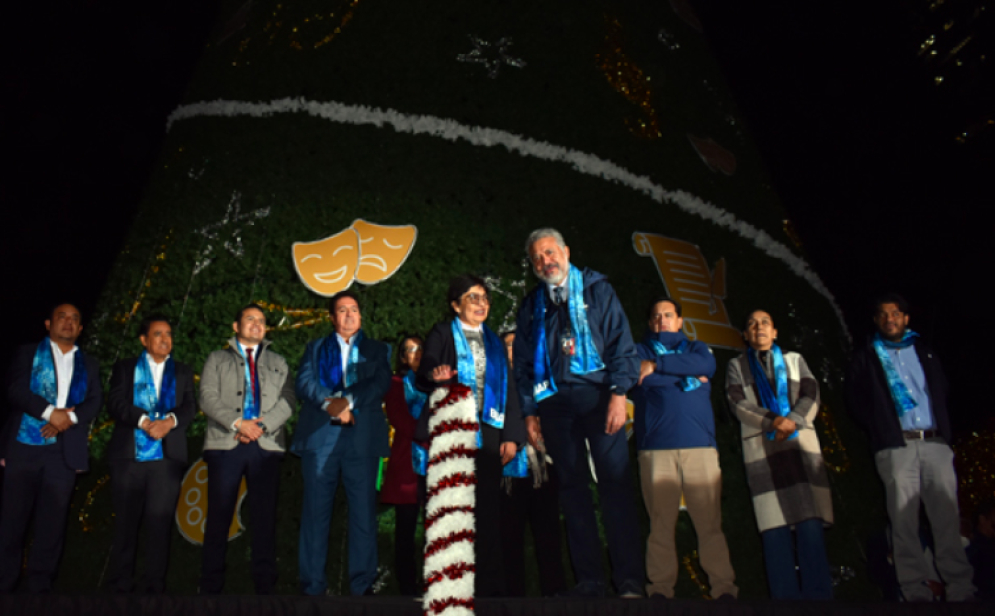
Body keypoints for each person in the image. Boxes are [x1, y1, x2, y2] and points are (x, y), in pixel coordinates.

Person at [512, 228, 644, 598]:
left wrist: (619, 392)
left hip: (600, 396)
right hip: (554, 406)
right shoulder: (532, 305)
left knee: (614, 486)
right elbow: (522, 365)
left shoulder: (598, 289)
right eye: (537, 258)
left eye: (550, 253)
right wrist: (529, 412)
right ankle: (589, 580)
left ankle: (630, 580)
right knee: (572, 492)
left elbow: (622, 344)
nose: (545, 262)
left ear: (566, 252)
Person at [845, 293, 975, 602]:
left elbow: (942, 390)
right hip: (896, 447)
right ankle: (915, 590)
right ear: (877, 321)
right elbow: (855, 399)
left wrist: (944, 435)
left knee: (946, 519)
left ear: (906, 319)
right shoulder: (866, 356)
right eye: (883, 314)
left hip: (934, 443)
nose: (890, 318)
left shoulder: (925, 352)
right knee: (903, 522)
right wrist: (881, 427)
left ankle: (960, 589)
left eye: (896, 313)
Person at [415, 274, 527, 597]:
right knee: (450, 508)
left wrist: (511, 434)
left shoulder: (494, 340)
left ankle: (488, 588)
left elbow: (509, 390)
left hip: (490, 433)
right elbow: (428, 365)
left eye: (484, 298)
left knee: (488, 510)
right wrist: (436, 373)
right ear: (455, 305)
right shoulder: (442, 332)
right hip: (452, 427)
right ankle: (448, 586)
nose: (481, 303)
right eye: (472, 297)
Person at [632, 298, 737, 600]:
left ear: (680, 321)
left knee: (709, 524)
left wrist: (658, 367)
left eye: (668, 315)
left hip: (700, 447)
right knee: (660, 525)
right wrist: (685, 376)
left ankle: (724, 588)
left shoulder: (697, 348)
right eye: (655, 316)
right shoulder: (640, 351)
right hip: (655, 449)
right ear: (650, 323)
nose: (661, 320)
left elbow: (707, 366)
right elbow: (640, 380)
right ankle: (661, 590)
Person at [725, 309, 833, 600]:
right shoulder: (736, 366)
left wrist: (792, 421)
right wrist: (773, 420)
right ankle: (784, 601)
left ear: (774, 332)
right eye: (751, 324)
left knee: (809, 525)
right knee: (774, 530)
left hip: (800, 448)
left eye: (765, 323)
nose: (758, 327)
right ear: (745, 335)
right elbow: (737, 403)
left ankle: (820, 599)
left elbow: (811, 395)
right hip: (763, 451)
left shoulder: (795, 360)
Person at [292, 290, 392, 596]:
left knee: (363, 514)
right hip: (321, 437)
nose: (349, 315)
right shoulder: (315, 347)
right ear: (332, 317)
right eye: (342, 310)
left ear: (360, 315)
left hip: (360, 438)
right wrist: (329, 404)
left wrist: (345, 401)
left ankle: (362, 585)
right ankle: (312, 586)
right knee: (315, 513)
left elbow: (380, 384)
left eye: (354, 310)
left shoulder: (378, 349)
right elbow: (304, 382)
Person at [0, 303, 102, 593]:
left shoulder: (90, 364)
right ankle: (4, 587)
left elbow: (94, 401)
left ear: (80, 328)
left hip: (63, 453)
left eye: (74, 319)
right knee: (12, 522)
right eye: (62, 317)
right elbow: (15, 390)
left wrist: (66, 418)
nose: (68, 322)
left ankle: (39, 591)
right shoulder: (28, 353)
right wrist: (49, 413)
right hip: (24, 447)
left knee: (52, 524)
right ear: (48, 323)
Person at [199, 303, 295, 595]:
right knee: (218, 516)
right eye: (250, 319)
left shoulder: (279, 361)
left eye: (262, 320)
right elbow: (207, 397)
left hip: (265, 446)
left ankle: (265, 586)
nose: (256, 324)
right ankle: (210, 586)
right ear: (235, 326)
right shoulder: (216, 359)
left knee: (264, 517)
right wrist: (239, 423)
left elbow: (289, 399)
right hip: (226, 444)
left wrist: (260, 427)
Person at [105, 314, 195, 594]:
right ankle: (121, 585)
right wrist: (144, 421)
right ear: (144, 340)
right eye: (158, 334)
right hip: (129, 456)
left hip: (166, 460)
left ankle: (154, 587)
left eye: (168, 334)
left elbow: (190, 407)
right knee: (125, 524)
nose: (165, 339)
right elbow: (116, 402)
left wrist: (170, 422)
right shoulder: (125, 367)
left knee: (159, 524)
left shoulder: (182, 371)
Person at [498, 329, 567, 597]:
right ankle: (512, 598)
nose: (513, 350)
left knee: (548, 534)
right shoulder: (495, 383)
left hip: (542, 466)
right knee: (509, 537)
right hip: (507, 467)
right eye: (507, 346)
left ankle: (556, 595)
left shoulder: (543, 381)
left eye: (518, 345)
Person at [380, 334, 427, 597]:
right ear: (402, 357)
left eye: (420, 348)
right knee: (406, 530)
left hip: (438, 463)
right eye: (410, 350)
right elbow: (398, 418)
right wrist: (429, 433)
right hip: (407, 463)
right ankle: (408, 588)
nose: (416, 353)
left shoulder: (437, 382)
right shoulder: (396, 383)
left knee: (438, 528)